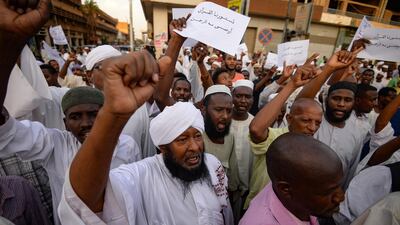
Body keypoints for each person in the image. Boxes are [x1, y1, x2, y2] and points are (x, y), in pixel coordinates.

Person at [58, 70, 234, 224]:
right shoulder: (141, 175)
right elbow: (84, 200)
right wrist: (112, 117)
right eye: (182, 139)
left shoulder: (212, 164)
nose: (195, 147)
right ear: (163, 147)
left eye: (197, 136)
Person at [244, 63, 322, 209]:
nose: (312, 128)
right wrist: (291, 84)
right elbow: (256, 129)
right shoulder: (276, 138)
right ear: (289, 118)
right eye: (305, 121)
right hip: (259, 210)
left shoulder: (314, 149)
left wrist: (329, 68)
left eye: (317, 123)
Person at [240, 133, 345, 225]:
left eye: (339, 186)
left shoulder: (292, 189)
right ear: (285, 189)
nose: (340, 198)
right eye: (327, 192)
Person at [201, 85, 241, 197]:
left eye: (229, 111)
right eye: (218, 110)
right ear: (204, 110)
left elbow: (233, 173)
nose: (225, 116)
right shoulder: (195, 137)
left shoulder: (229, 137)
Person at [230, 80, 255, 219]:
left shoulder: (256, 124)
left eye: (247, 97)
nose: (243, 101)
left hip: (246, 190)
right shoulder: (222, 122)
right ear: (232, 97)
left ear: (253, 99)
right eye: (238, 96)